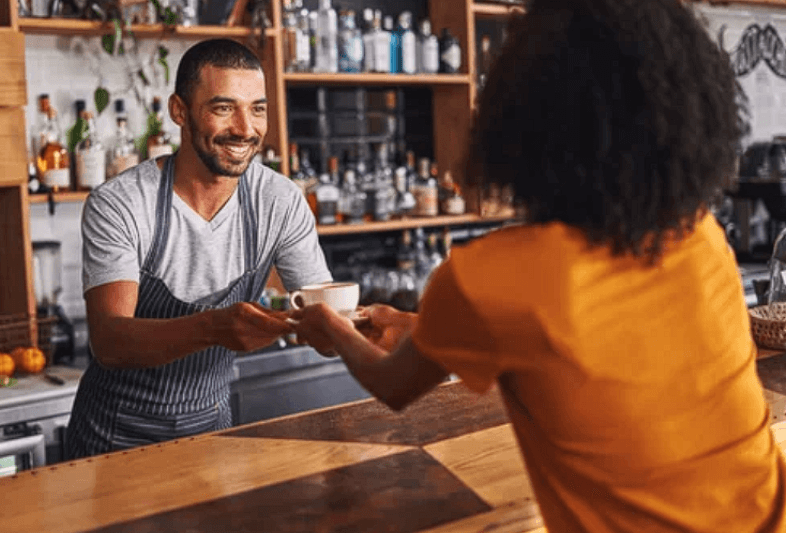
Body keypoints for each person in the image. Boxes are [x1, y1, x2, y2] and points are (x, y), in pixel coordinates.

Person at [289, 0, 786, 531]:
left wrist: (334, 329)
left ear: (521, 121)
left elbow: (393, 384)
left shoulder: (490, 277)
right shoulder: (698, 233)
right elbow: (601, 338)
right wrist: (418, 328)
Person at [66, 39, 331, 459]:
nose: (245, 128)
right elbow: (110, 342)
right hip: (114, 438)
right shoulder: (121, 203)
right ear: (179, 111)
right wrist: (214, 328)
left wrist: (364, 325)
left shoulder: (280, 201)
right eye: (224, 108)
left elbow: (325, 324)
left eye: (257, 109)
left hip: (212, 430)